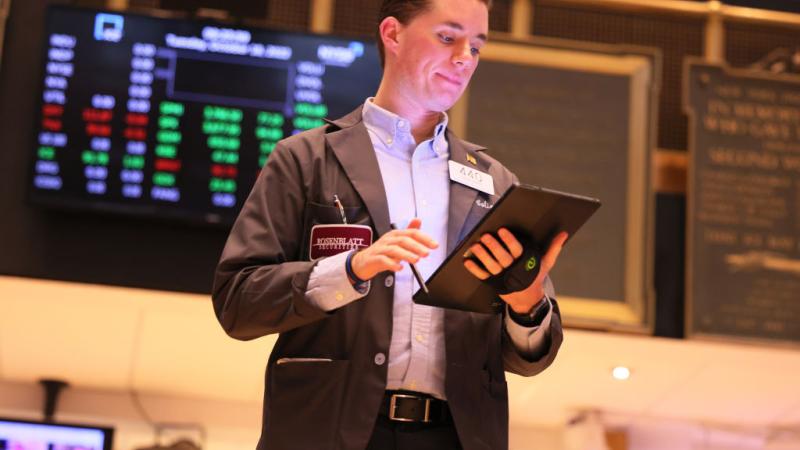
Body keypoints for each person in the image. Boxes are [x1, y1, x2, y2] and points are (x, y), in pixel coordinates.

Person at [212, 0, 567, 449]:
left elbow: (531, 358)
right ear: (393, 34)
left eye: (476, 46)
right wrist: (350, 269)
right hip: (327, 431)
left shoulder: (495, 183)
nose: (464, 57)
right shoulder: (306, 159)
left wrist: (527, 304)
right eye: (448, 37)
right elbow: (238, 301)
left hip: (455, 437)